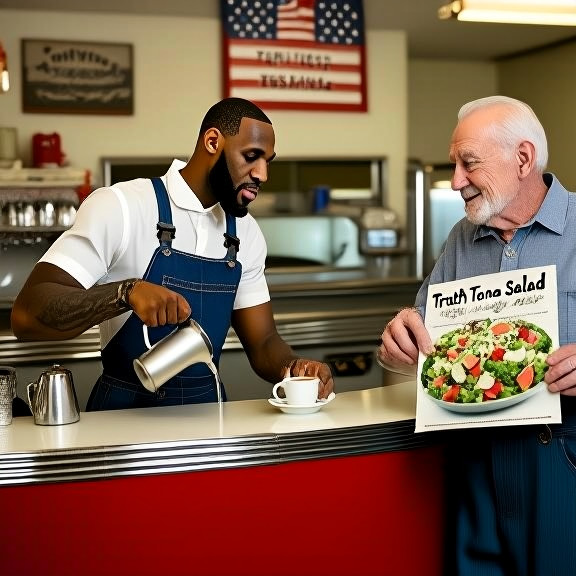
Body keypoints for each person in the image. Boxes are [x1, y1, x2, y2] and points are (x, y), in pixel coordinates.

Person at [11, 97, 334, 411]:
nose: (262, 174)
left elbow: (264, 342)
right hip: (122, 420)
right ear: (212, 142)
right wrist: (125, 293)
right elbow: (26, 316)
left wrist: (294, 366)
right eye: (251, 156)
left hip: (209, 418)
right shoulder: (122, 205)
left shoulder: (245, 232)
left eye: (267, 161)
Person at [377, 96, 576, 576]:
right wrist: (395, 343)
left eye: (469, 164)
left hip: (562, 462)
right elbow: (419, 337)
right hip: (475, 467)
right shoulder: (461, 239)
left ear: (523, 160)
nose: (456, 181)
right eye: (455, 165)